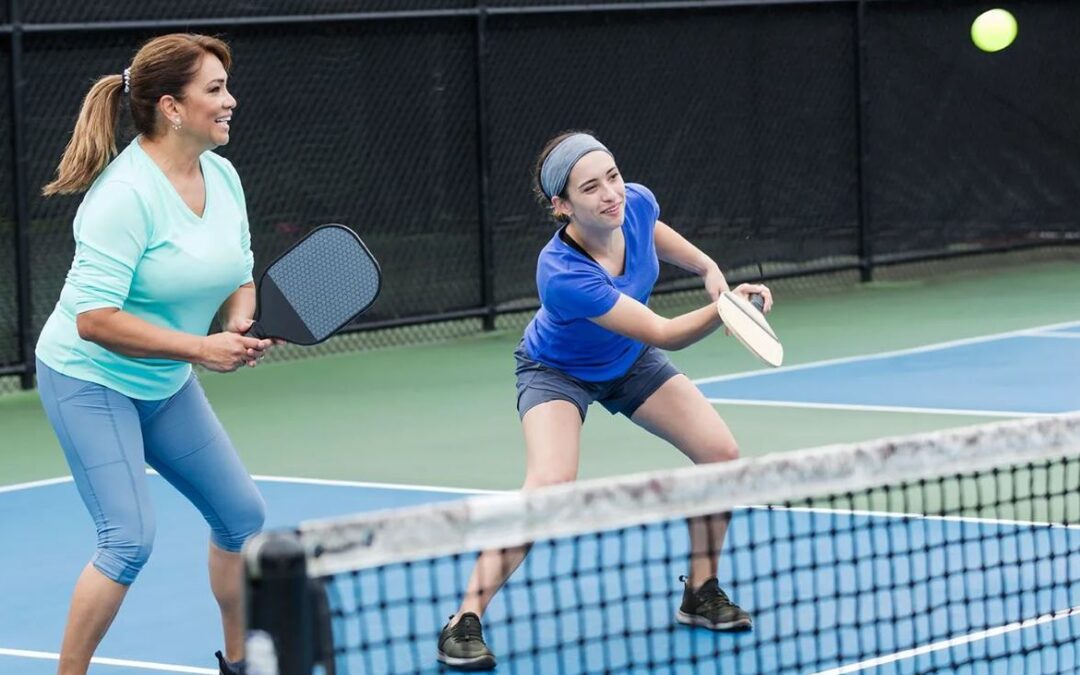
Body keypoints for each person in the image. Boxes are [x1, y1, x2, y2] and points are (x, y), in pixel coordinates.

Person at [437, 132, 772, 670]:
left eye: (612, 177)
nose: (610, 194)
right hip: (557, 371)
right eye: (591, 188)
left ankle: (701, 590)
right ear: (562, 206)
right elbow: (664, 332)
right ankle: (464, 619)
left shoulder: (633, 202)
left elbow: (651, 232)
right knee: (549, 487)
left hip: (628, 362)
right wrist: (728, 309)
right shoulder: (561, 273)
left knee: (721, 455)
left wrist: (708, 268)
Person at [36, 33, 272, 675]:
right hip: (90, 380)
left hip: (163, 383)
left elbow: (240, 272)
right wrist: (201, 346)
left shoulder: (222, 175)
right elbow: (93, 320)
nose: (231, 101)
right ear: (171, 106)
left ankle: (241, 661)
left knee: (242, 517)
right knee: (127, 541)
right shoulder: (123, 197)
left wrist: (240, 316)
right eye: (215, 89)